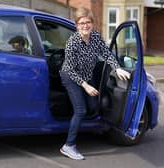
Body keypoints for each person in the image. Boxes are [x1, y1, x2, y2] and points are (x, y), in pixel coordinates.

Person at [59, 7, 130, 160]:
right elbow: (70, 70)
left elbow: (106, 53)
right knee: (81, 110)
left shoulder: (96, 37)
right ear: (77, 25)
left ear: (92, 23)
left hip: (87, 74)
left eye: (88, 22)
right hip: (71, 76)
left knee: (93, 106)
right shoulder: (72, 42)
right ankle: (69, 145)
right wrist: (86, 86)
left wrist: (117, 68)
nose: (85, 25)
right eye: (81, 23)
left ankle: (88, 130)